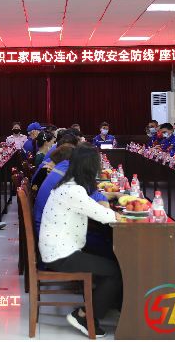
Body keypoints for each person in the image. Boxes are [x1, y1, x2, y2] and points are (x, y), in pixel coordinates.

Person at [39, 144, 121, 338]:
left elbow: (94, 206)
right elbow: (105, 216)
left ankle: (113, 303)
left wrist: (105, 208)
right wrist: (116, 213)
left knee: (115, 256)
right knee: (115, 272)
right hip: (60, 254)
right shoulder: (73, 191)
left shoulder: (69, 183)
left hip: (62, 246)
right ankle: (83, 316)